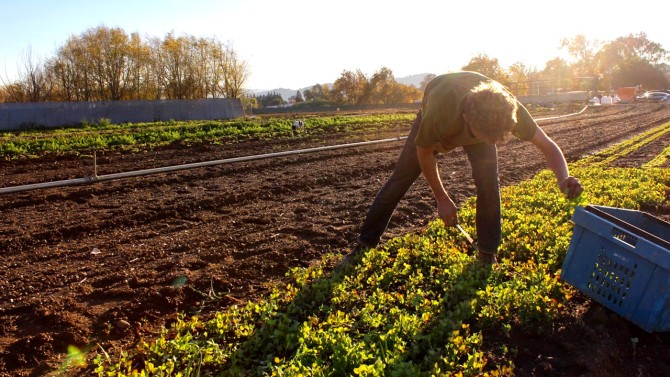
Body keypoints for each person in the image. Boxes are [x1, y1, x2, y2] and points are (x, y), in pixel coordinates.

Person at [345, 71, 583, 266]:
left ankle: (487, 252)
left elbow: (547, 145)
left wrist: (563, 177)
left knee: (489, 182)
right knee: (400, 180)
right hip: (440, 108)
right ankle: (365, 243)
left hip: (479, 121)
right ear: (468, 119)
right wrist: (442, 198)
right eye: (486, 137)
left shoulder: (506, 109)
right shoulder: (441, 111)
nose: (492, 143)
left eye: (495, 138)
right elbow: (425, 154)